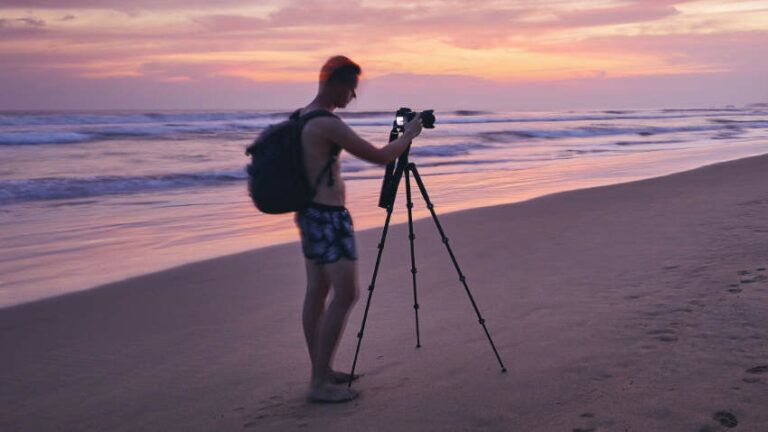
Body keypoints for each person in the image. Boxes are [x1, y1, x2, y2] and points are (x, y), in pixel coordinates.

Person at [296, 55, 423, 403]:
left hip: (308, 215)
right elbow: (379, 156)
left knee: (317, 292)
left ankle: (321, 371)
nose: (352, 97)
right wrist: (409, 135)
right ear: (336, 83)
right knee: (347, 293)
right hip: (329, 218)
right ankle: (319, 384)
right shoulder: (326, 122)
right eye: (351, 89)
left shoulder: (301, 116)